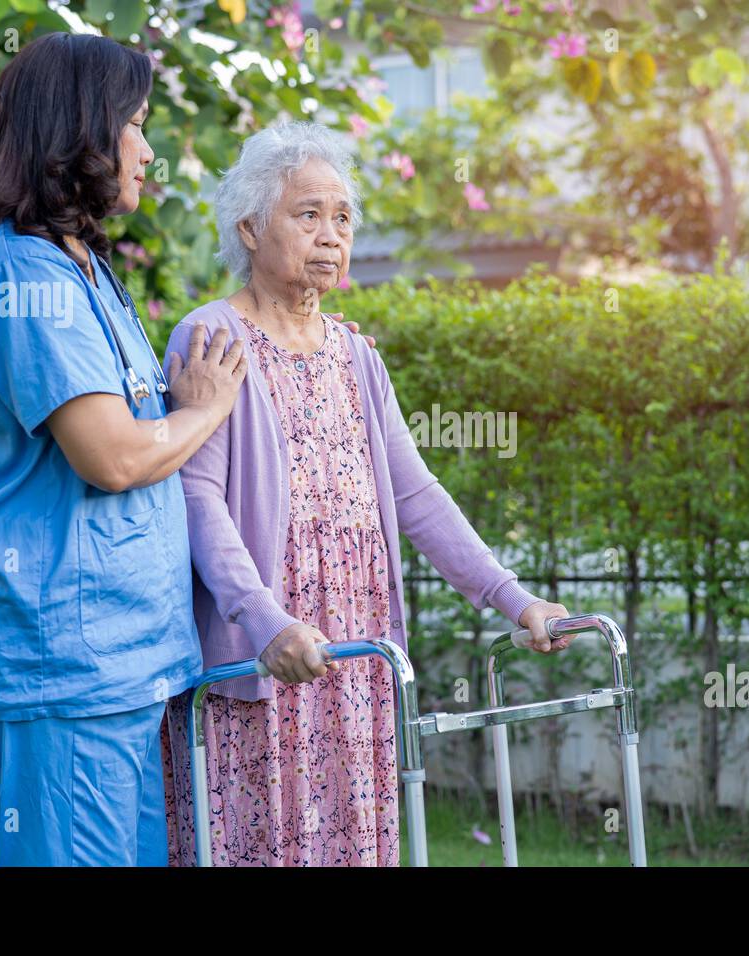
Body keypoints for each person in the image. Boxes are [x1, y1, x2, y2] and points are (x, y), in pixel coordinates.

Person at [0, 34, 370, 866]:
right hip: (65, 656)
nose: (147, 150)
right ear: (80, 132)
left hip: (128, 658)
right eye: (133, 125)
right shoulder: (21, 274)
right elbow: (117, 457)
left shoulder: (84, 269)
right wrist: (205, 409)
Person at [159, 121, 573, 866]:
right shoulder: (211, 337)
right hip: (266, 651)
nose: (330, 234)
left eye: (343, 218)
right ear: (250, 229)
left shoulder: (357, 355)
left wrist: (516, 599)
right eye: (308, 214)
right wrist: (264, 621)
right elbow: (198, 501)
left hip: (355, 651)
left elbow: (417, 494)